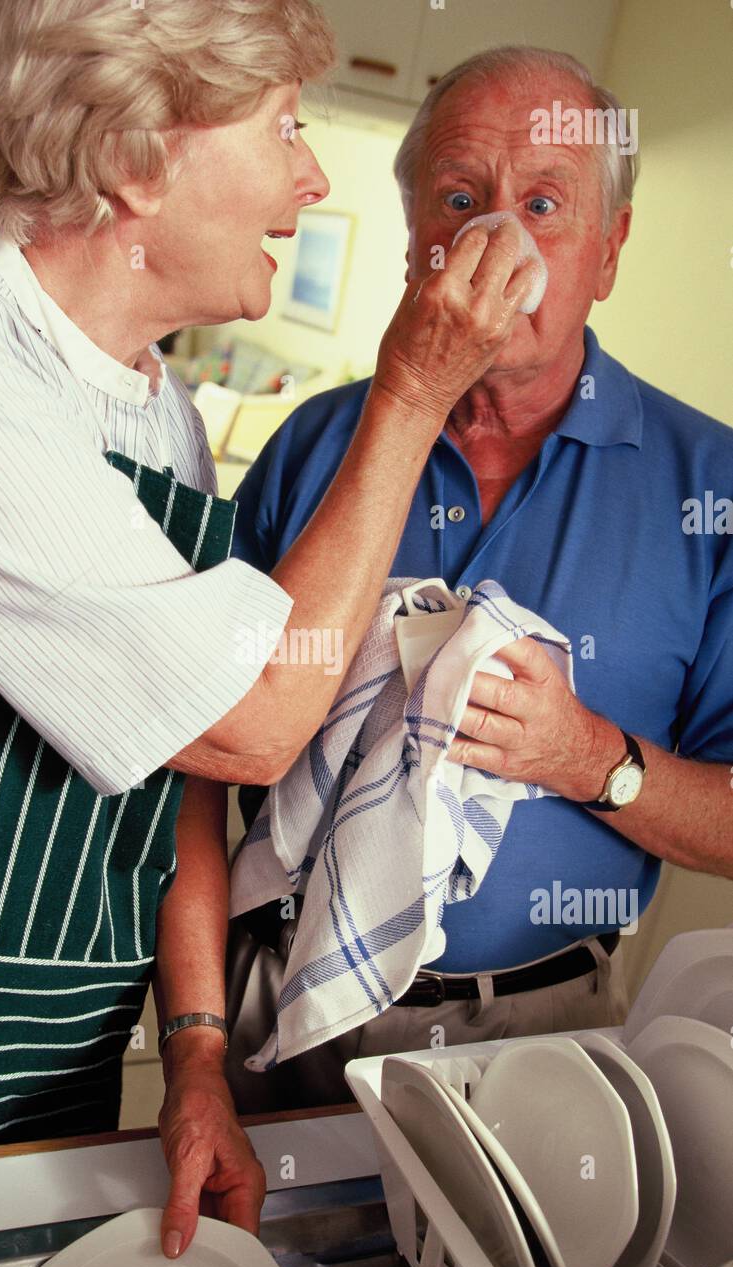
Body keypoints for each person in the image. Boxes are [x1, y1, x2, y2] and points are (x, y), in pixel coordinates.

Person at [0, 0, 537, 1261]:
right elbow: (256, 722)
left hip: (56, 1049)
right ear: (134, 161)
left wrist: (198, 1055)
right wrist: (412, 389)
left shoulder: (156, 408)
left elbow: (186, 782)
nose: (313, 175)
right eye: (284, 128)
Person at [223, 45, 733, 1113]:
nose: (497, 238)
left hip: (554, 1031)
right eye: (460, 199)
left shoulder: (711, 487)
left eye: (544, 204)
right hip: (294, 1011)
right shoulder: (309, 450)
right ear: (417, 239)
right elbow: (202, 753)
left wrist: (592, 758)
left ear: (610, 250)